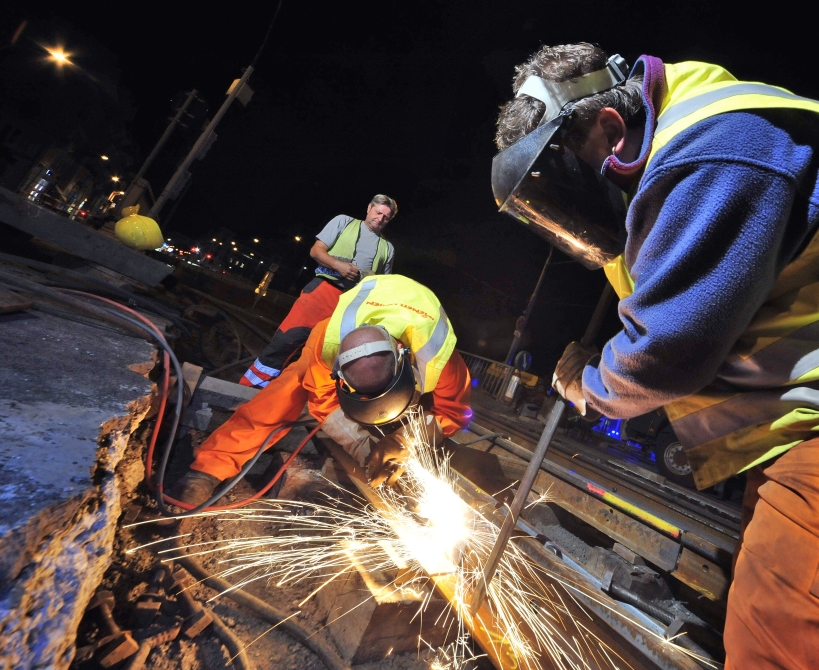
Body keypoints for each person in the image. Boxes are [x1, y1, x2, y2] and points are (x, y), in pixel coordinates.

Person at [492, 43, 819, 669]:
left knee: (769, 645)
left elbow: (668, 351)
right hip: (792, 432)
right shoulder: (678, 150)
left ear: (612, 128)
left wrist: (584, 383)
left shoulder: (710, 151)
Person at [174, 274, 472, 503]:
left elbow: (455, 414)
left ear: (405, 362)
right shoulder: (326, 343)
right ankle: (208, 468)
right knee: (282, 396)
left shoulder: (439, 357)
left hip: (415, 344)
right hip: (349, 336)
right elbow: (324, 403)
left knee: (432, 430)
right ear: (340, 373)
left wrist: (407, 439)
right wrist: (362, 446)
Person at [241, 194, 397, 388]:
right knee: (287, 340)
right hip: (322, 291)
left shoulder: (387, 248)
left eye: (386, 217)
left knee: (327, 357)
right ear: (369, 208)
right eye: (378, 212)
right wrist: (338, 266)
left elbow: (381, 283)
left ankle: (286, 397)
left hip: (351, 305)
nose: (380, 218)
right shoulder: (344, 222)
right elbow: (316, 251)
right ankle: (249, 387)